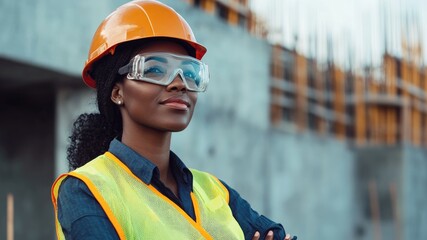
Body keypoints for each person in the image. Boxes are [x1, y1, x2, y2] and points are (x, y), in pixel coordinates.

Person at [51, 1, 297, 239]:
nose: (179, 83)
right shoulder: (85, 190)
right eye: (155, 69)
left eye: (190, 72)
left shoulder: (214, 190)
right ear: (117, 92)